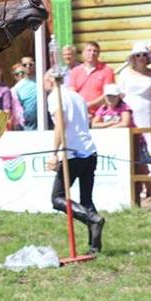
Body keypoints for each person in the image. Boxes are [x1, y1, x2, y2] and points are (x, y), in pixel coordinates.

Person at [46, 86, 105, 254]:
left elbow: (60, 124)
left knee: (57, 198)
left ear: (50, 80)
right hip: (89, 151)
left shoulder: (54, 96)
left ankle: (92, 219)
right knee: (86, 200)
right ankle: (95, 247)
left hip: (72, 154)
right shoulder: (77, 96)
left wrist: (54, 154)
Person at [92, 84, 151, 211]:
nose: (110, 99)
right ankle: (135, 203)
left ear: (119, 97)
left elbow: (125, 123)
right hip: (117, 145)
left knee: (144, 171)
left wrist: (107, 127)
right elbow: (94, 124)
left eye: (113, 96)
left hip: (136, 143)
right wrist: (112, 123)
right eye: (108, 96)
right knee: (130, 173)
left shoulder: (125, 108)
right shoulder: (102, 109)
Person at [119, 42, 151, 153]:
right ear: (133, 57)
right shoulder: (125, 73)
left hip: (146, 109)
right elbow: (121, 93)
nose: (141, 57)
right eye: (138, 55)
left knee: (148, 137)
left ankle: (150, 161)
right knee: (131, 136)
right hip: (129, 108)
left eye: (144, 54)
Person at [68, 41, 115, 116]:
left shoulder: (107, 70)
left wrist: (88, 105)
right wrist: (81, 107)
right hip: (79, 112)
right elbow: (72, 93)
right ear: (83, 53)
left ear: (99, 54)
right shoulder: (75, 71)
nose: (92, 53)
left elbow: (108, 94)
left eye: (95, 51)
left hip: (100, 114)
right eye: (89, 50)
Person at [11, 62, 38, 130]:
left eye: (22, 72)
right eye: (17, 74)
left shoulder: (35, 84)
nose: (20, 75)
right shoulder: (13, 91)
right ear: (14, 77)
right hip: (21, 127)